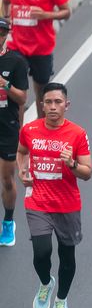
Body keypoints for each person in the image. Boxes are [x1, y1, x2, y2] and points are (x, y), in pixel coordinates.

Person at [16, 82, 91, 308]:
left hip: (67, 205)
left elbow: (87, 172)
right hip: (37, 201)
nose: (52, 106)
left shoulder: (77, 133)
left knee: (67, 256)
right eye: (48, 102)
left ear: (66, 105)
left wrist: (72, 164)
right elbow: (21, 151)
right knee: (41, 252)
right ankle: (46, 283)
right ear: (41, 104)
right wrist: (22, 170)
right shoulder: (29, 130)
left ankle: (61, 300)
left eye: (58, 102)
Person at [2, 0, 70, 118]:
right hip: (17, 47)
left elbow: (66, 12)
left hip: (41, 48)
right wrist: (6, 18)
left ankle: (41, 126)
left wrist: (46, 15)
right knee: (17, 93)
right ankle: (18, 131)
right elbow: (5, 2)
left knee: (41, 92)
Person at [0, 17, 29, 246]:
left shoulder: (16, 62)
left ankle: (8, 222)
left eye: (2, 33)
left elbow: (22, 99)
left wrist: (5, 84)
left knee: (7, 180)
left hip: (6, 128)